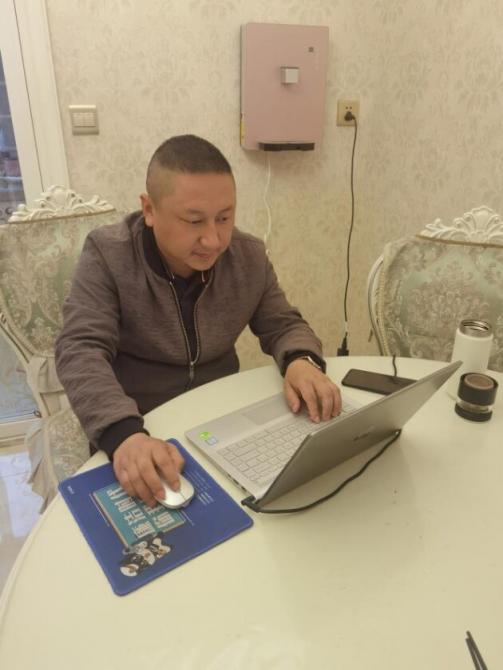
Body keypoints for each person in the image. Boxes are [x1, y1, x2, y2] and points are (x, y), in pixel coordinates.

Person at [55, 134, 341, 507]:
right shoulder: (109, 255)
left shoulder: (248, 256)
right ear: (149, 209)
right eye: (194, 221)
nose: (213, 240)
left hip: (220, 421)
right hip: (139, 422)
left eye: (224, 218)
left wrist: (300, 360)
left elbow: (283, 324)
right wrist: (123, 434)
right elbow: (80, 348)